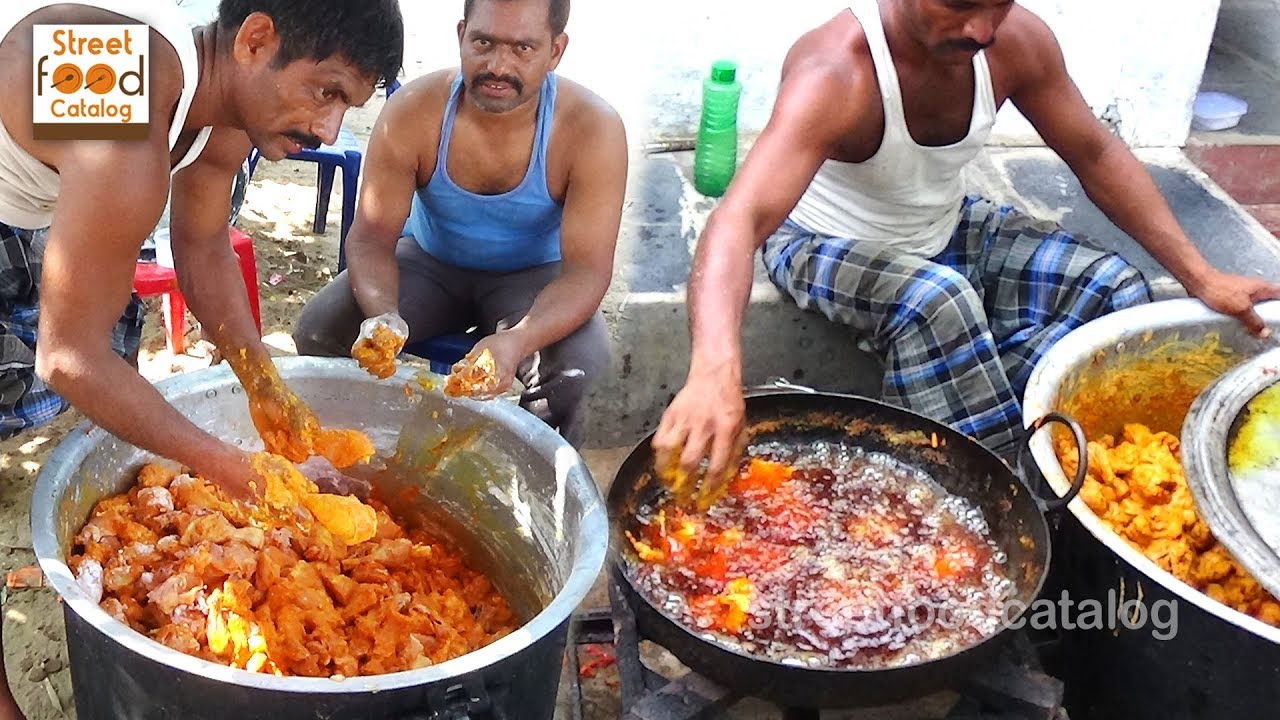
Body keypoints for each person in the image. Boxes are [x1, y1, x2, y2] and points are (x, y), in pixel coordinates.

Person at [653, 0, 1280, 490]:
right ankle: (997, 495)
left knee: (1114, 289)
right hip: (819, 243)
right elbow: (738, 220)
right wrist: (714, 371)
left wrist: (1199, 274)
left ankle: (974, 423)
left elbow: (1095, 151)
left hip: (946, 226)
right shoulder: (837, 69)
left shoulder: (1015, 42)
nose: (981, 28)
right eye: (958, 5)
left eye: (998, 4)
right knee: (939, 301)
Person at [0, 0, 401, 714]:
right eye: (327, 91)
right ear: (255, 38)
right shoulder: (122, 112)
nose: (328, 129)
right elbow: (67, 358)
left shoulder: (218, 96)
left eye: (349, 106)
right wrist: (240, 471)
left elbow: (204, 241)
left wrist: (263, 384)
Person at [293, 0, 628, 448]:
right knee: (318, 329)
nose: (497, 65)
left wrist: (519, 340)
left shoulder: (592, 129)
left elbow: (586, 272)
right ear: (461, 35)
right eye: (483, 42)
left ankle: (527, 495)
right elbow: (372, 236)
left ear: (556, 51)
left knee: (574, 376)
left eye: (522, 48)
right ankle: (358, 460)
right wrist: (384, 315)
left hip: (533, 280)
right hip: (430, 263)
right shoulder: (414, 112)